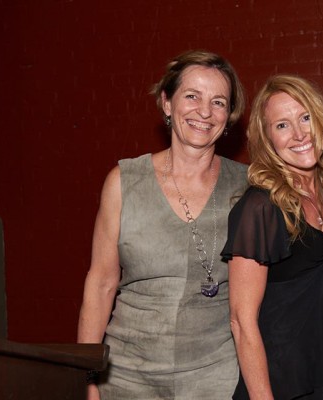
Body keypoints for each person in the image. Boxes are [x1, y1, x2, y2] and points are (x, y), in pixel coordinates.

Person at [77, 50, 248, 399]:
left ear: (229, 115)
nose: (204, 111)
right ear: (166, 103)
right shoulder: (124, 181)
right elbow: (101, 283)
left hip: (214, 379)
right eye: (192, 96)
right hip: (125, 378)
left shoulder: (248, 187)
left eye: (218, 102)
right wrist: (87, 378)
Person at [221, 74, 323, 399]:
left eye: (305, 117)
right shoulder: (260, 207)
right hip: (283, 383)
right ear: (267, 139)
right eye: (282, 125)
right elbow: (241, 321)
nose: (299, 134)